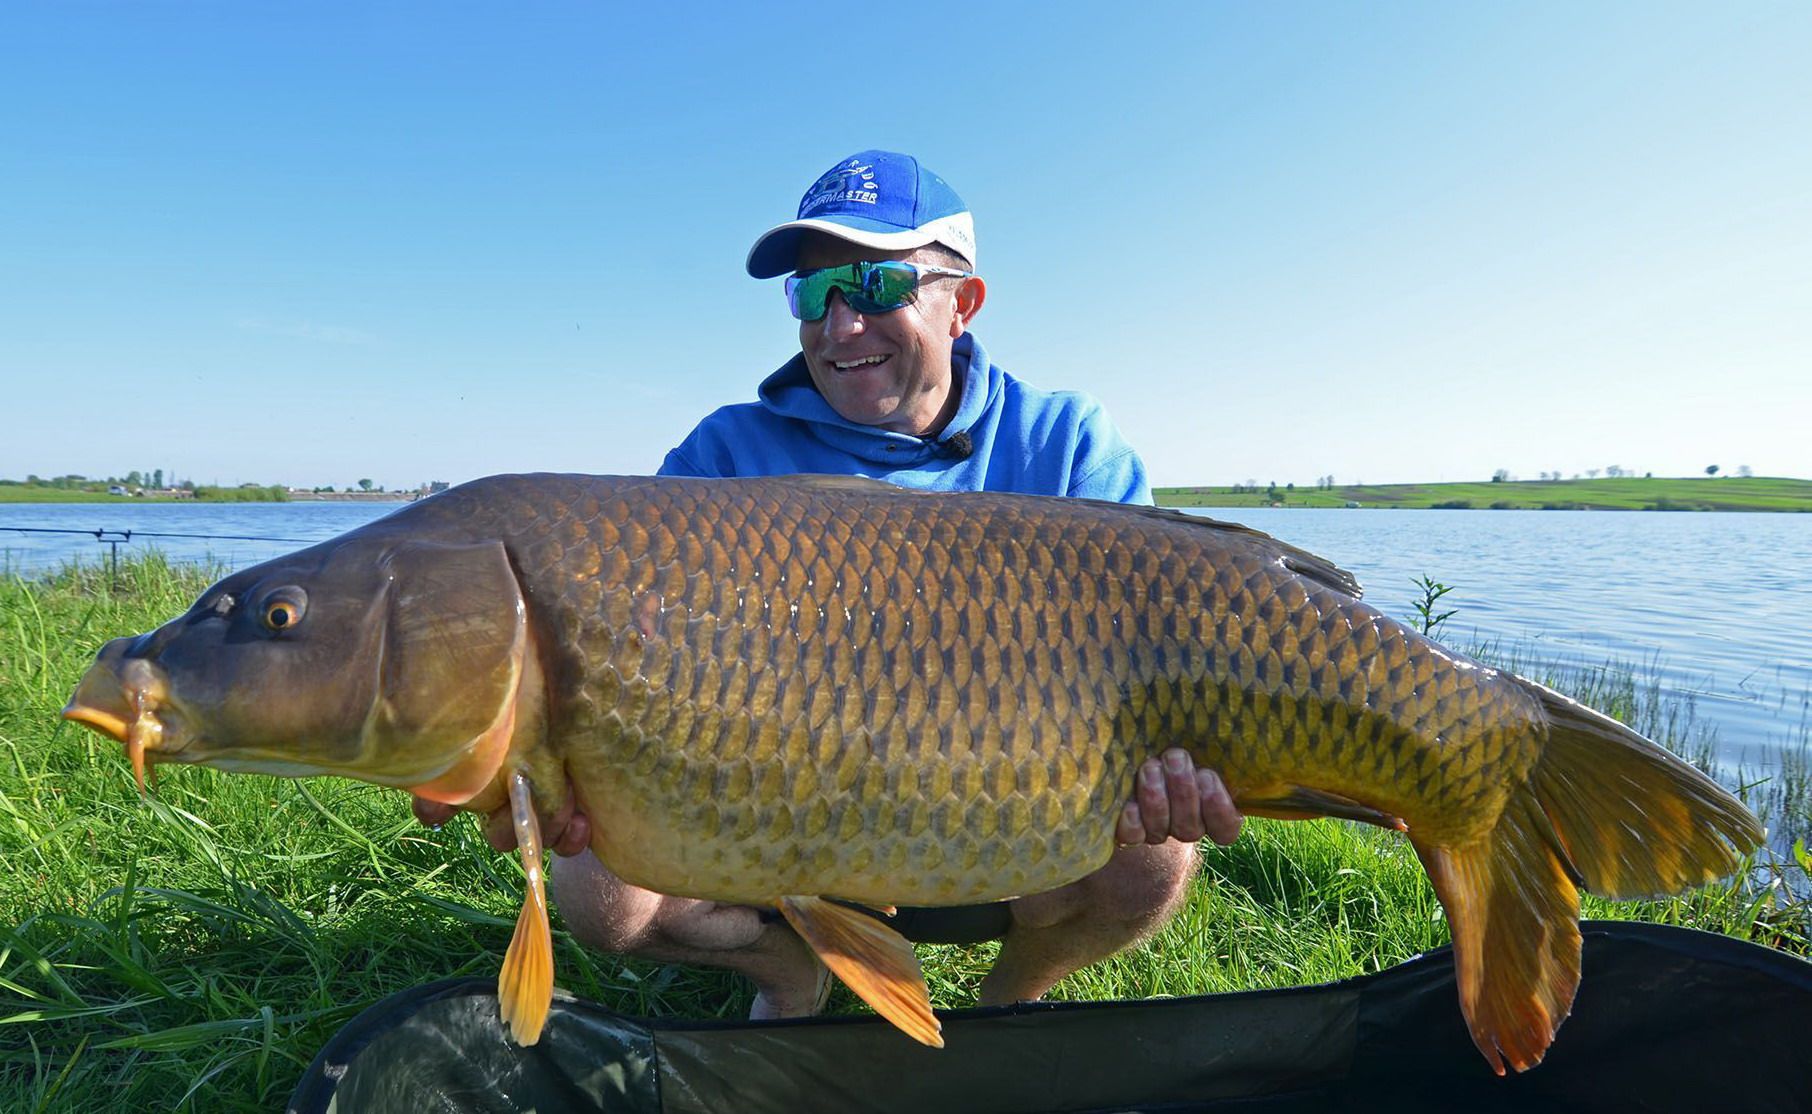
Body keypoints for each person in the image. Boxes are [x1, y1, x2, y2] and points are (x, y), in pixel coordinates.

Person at [417, 150, 1242, 1020]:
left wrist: (1183, 770)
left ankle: (1004, 1003)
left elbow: (1162, 648)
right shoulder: (723, 459)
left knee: (1156, 849)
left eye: (876, 285)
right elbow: (618, 646)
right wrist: (532, 753)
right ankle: (790, 972)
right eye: (814, 295)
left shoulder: (1068, 445)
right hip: (776, 832)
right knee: (601, 892)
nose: (842, 325)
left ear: (961, 304)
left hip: (1006, 830)